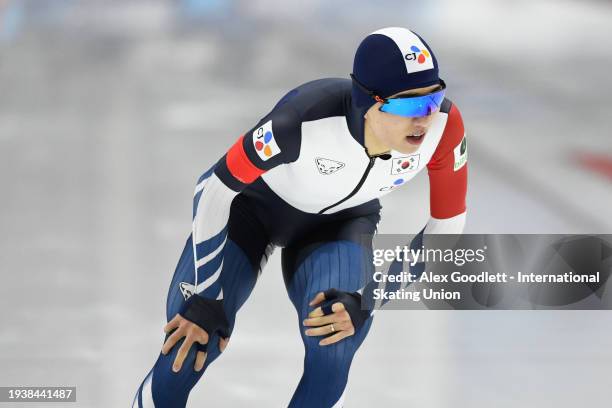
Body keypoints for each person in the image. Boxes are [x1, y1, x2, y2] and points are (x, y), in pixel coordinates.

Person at [133, 26, 467, 408]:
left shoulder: (445, 127)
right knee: (191, 341)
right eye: (408, 105)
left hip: (339, 224)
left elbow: (447, 226)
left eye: (433, 99)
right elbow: (213, 187)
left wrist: (367, 299)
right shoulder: (302, 121)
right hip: (254, 213)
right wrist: (206, 295)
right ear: (368, 102)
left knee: (336, 336)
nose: (424, 119)